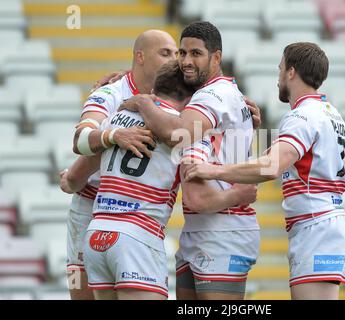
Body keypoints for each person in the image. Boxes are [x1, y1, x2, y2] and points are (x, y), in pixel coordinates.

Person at [66, 60, 258, 300]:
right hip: (139, 237)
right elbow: (197, 198)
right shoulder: (184, 134)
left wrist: (66, 179)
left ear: (155, 89)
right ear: (194, 100)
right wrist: (237, 195)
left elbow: (73, 179)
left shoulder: (118, 117)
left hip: (97, 234)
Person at [183, 42, 345, 300]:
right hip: (329, 223)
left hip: (317, 227)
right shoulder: (332, 114)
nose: (278, 78)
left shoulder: (301, 116)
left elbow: (270, 167)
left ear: (291, 72)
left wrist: (213, 171)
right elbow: (341, 166)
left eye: (280, 69)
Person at [119, 21, 260, 300]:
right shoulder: (216, 93)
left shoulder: (212, 95)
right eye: (181, 53)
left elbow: (177, 133)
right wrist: (120, 79)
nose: (185, 61)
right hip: (199, 230)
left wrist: (143, 102)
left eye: (196, 54)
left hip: (224, 230)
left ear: (216, 57)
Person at [59, 29, 178, 300]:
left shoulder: (175, 98)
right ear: (140, 57)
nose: (174, 60)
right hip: (91, 206)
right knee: (83, 294)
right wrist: (114, 136)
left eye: (175, 53)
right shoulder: (112, 93)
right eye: (165, 53)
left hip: (137, 215)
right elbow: (80, 139)